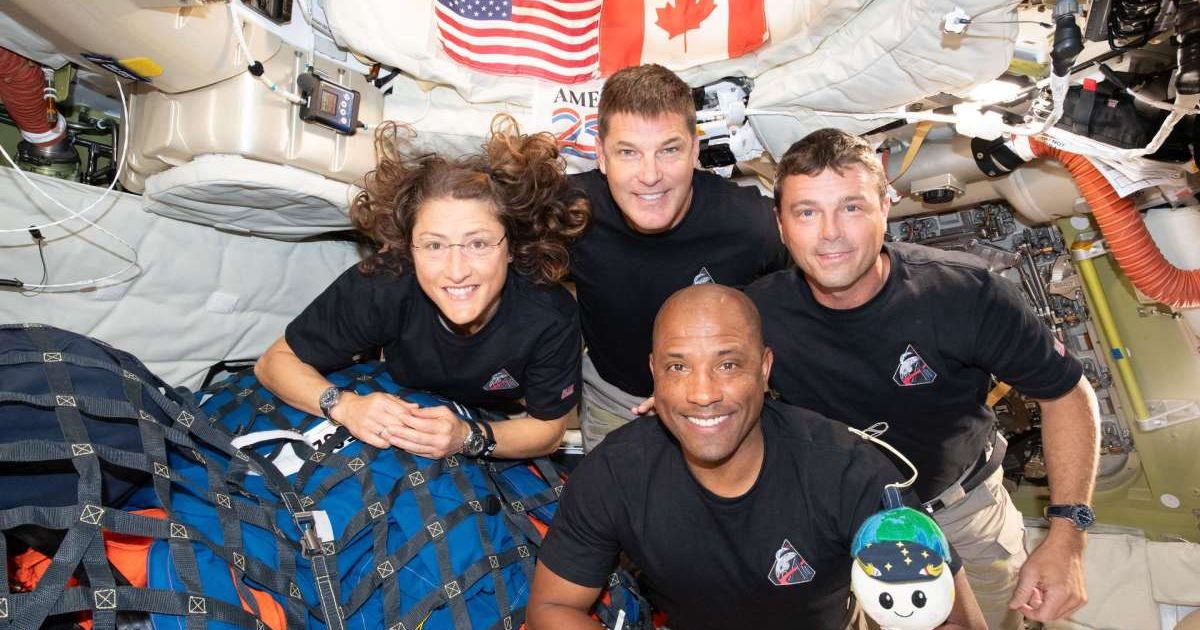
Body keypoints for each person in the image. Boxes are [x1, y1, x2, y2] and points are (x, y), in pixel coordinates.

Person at [745, 128, 1101, 629]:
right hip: (847, 521)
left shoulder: (963, 293)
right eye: (806, 212)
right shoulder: (756, 315)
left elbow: (1065, 392)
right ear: (781, 226)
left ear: (885, 208)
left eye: (851, 207)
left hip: (966, 512)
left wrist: (1068, 536)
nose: (830, 232)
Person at [527, 284, 986, 630]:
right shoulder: (615, 472)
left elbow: (955, 621)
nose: (702, 393)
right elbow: (552, 606)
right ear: (654, 375)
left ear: (764, 369)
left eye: (728, 365)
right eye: (678, 367)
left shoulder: (850, 472)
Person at [254, 115, 589, 459]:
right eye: (433, 245)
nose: (456, 271)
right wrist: (345, 406)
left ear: (512, 247)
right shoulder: (384, 283)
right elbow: (274, 362)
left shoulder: (550, 314)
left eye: (478, 244)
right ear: (408, 249)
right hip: (391, 402)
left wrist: (467, 437)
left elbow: (548, 430)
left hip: (489, 423)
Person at [567, 63, 790, 451]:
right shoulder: (567, 213)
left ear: (694, 150)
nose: (650, 175)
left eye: (668, 150)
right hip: (616, 399)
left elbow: (808, 301)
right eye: (628, 152)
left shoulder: (750, 224)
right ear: (602, 156)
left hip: (718, 400)